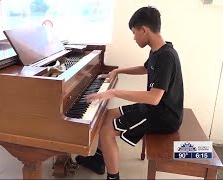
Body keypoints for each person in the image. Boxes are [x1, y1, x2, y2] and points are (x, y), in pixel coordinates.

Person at [75, 6, 184, 180]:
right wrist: (118, 71)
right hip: (155, 109)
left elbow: (154, 98)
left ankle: (113, 177)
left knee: (106, 130)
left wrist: (113, 92)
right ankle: (98, 160)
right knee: (106, 115)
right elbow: (144, 68)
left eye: (134, 33)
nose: (134, 37)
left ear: (144, 30)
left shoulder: (167, 56)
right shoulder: (158, 50)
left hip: (164, 116)